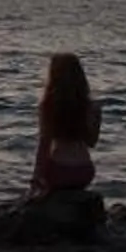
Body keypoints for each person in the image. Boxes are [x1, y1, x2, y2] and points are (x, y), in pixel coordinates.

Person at [29, 52, 99, 197]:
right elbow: (92, 142)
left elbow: (44, 145)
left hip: (58, 171)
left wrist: (36, 179)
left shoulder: (48, 105)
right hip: (85, 171)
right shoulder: (93, 107)